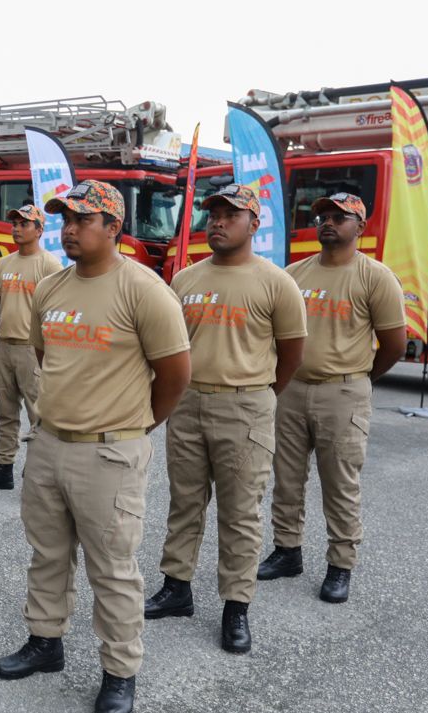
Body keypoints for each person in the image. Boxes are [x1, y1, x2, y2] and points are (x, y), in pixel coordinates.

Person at [0, 180, 190, 713]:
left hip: (109, 455)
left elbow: (174, 374)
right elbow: (41, 352)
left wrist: (137, 424)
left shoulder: (144, 290)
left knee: (113, 570)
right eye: (65, 219)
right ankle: (44, 642)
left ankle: (119, 673)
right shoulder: (52, 289)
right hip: (50, 444)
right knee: (48, 554)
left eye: (82, 219)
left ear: (113, 228)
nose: (69, 228)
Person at [144, 184, 307, 655]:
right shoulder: (184, 280)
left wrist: (256, 394)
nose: (217, 220)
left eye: (230, 214)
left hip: (246, 406)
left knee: (240, 513)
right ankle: (177, 587)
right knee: (184, 502)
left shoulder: (276, 283)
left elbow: (291, 356)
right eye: (213, 212)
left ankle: (236, 605)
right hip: (190, 405)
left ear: (254, 224)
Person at [260, 193, 407, 602]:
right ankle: (287, 551)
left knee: (340, 482)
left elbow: (395, 344)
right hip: (291, 390)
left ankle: (340, 564)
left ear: (360, 227)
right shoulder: (293, 275)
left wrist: (359, 378)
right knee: (286, 479)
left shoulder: (374, 277)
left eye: (340, 217)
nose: (328, 221)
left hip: (343, 392)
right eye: (323, 215)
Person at [0, 204, 62, 490]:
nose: (16, 228)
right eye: (14, 223)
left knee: (39, 415)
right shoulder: (4, 264)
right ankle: (3, 468)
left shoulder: (49, 265)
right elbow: (1, 302)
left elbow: (55, 312)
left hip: (31, 349)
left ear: (39, 229)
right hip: (5, 346)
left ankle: (39, 473)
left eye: (24, 224)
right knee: (6, 411)